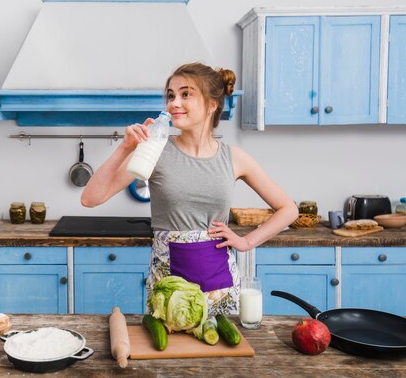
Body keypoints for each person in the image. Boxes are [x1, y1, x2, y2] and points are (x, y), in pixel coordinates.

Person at [81, 63, 298, 314]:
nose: (174, 103)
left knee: (222, 350)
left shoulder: (234, 158)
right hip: (169, 293)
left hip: (222, 289)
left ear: (211, 104)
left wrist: (247, 241)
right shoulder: (155, 149)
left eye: (186, 94)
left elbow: (288, 209)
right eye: (171, 95)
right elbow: (91, 198)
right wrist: (125, 148)